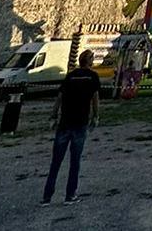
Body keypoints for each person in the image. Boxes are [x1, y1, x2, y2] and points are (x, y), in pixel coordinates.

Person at [41, 50, 100, 206]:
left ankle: (47, 197)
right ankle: (70, 195)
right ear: (89, 61)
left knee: (56, 162)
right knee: (75, 161)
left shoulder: (70, 76)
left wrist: (53, 115)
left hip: (65, 122)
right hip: (80, 122)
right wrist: (96, 116)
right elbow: (95, 99)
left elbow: (59, 97)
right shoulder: (92, 76)